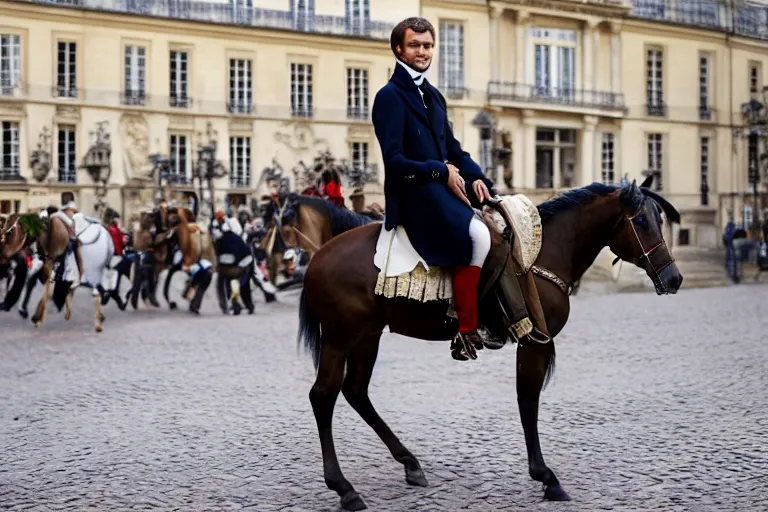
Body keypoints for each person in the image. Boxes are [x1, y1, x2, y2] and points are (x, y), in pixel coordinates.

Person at [372, 17, 545, 360]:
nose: (422, 52)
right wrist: (439, 172)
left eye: (427, 46)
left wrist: (477, 176)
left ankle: (510, 317)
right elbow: (394, 161)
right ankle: (466, 329)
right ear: (398, 50)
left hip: (441, 190)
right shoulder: (389, 97)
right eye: (414, 46)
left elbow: (454, 150)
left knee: (500, 225)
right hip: (414, 196)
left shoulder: (434, 96)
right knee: (480, 237)